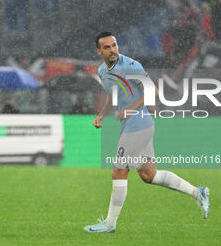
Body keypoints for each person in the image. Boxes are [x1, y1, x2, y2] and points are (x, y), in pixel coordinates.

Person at [84, 32, 210, 233]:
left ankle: (110, 223)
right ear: (99, 51)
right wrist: (101, 114)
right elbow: (112, 96)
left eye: (114, 45)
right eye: (107, 47)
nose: (113, 50)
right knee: (148, 175)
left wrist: (130, 108)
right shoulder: (102, 71)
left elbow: (153, 92)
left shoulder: (130, 66)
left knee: (119, 170)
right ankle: (198, 192)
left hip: (138, 125)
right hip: (133, 125)